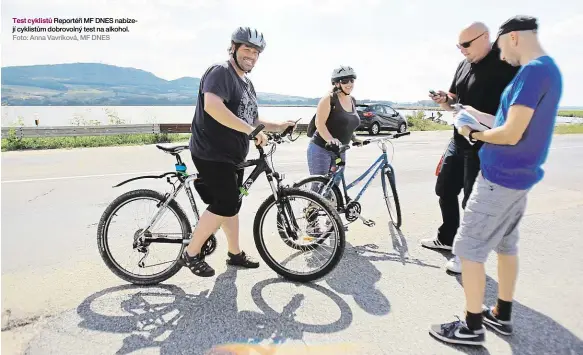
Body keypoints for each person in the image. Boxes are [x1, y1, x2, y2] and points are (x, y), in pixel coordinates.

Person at [429, 15, 562, 346]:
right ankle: (501, 314)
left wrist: (473, 130)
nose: (503, 54)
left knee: (469, 250)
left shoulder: (527, 72)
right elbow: (512, 122)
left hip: (497, 169)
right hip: (517, 174)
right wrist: (457, 108)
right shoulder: (549, 70)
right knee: (506, 245)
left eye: (503, 46)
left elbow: (513, 129)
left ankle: (471, 328)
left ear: (510, 38)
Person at [182, 26, 297, 277]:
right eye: (247, 49)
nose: (252, 56)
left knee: (232, 205)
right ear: (233, 48)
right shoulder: (220, 72)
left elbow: (252, 119)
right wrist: (251, 132)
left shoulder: (247, 84)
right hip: (211, 152)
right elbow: (212, 106)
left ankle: (234, 254)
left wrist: (279, 126)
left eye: (256, 52)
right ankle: (190, 253)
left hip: (233, 156)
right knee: (225, 203)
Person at [420, 21, 519, 273]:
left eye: (466, 45)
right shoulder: (463, 65)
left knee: (472, 202)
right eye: (458, 46)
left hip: (485, 144)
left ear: (485, 37)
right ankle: (447, 238)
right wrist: (445, 99)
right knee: (444, 189)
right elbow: (455, 99)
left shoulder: (505, 64)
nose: (461, 50)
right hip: (458, 139)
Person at [307, 66, 362, 180]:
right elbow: (319, 123)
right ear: (337, 83)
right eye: (345, 81)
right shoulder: (329, 98)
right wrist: (330, 139)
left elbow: (346, 123)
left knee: (334, 188)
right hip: (321, 148)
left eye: (352, 80)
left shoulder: (352, 100)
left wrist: (354, 138)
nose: (349, 84)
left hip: (340, 150)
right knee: (320, 186)